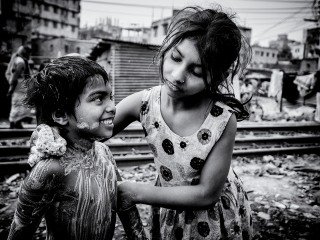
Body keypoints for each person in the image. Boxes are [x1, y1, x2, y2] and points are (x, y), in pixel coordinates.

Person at [114, 6, 253, 240]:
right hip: (169, 203)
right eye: (176, 58)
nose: (177, 75)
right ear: (166, 47)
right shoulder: (145, 102)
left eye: (197, 71)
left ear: (217, 77)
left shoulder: (221, 119)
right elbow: (96, 131)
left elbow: (207, 194)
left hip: (210, 217)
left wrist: (137, 192)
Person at [7, 57, 146, 240]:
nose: (112, 107)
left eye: (110, 97)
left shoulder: (104, 153)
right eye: (98, 99)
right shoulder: (50, 169)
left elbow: (125, 205)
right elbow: (20, 232)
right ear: (61, 114)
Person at [5, 46, 34, 129]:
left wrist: (10, 85)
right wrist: (11, 85)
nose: (30, 55)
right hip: (19, 86)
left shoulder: (16, 59)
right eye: (29, 53)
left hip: (17, 86)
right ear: (26, 53)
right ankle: (16, 123)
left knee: (16, 104)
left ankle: (13, 123)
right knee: (20, 104)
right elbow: (15, 76)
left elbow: (10, 74)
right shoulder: (21, 62)